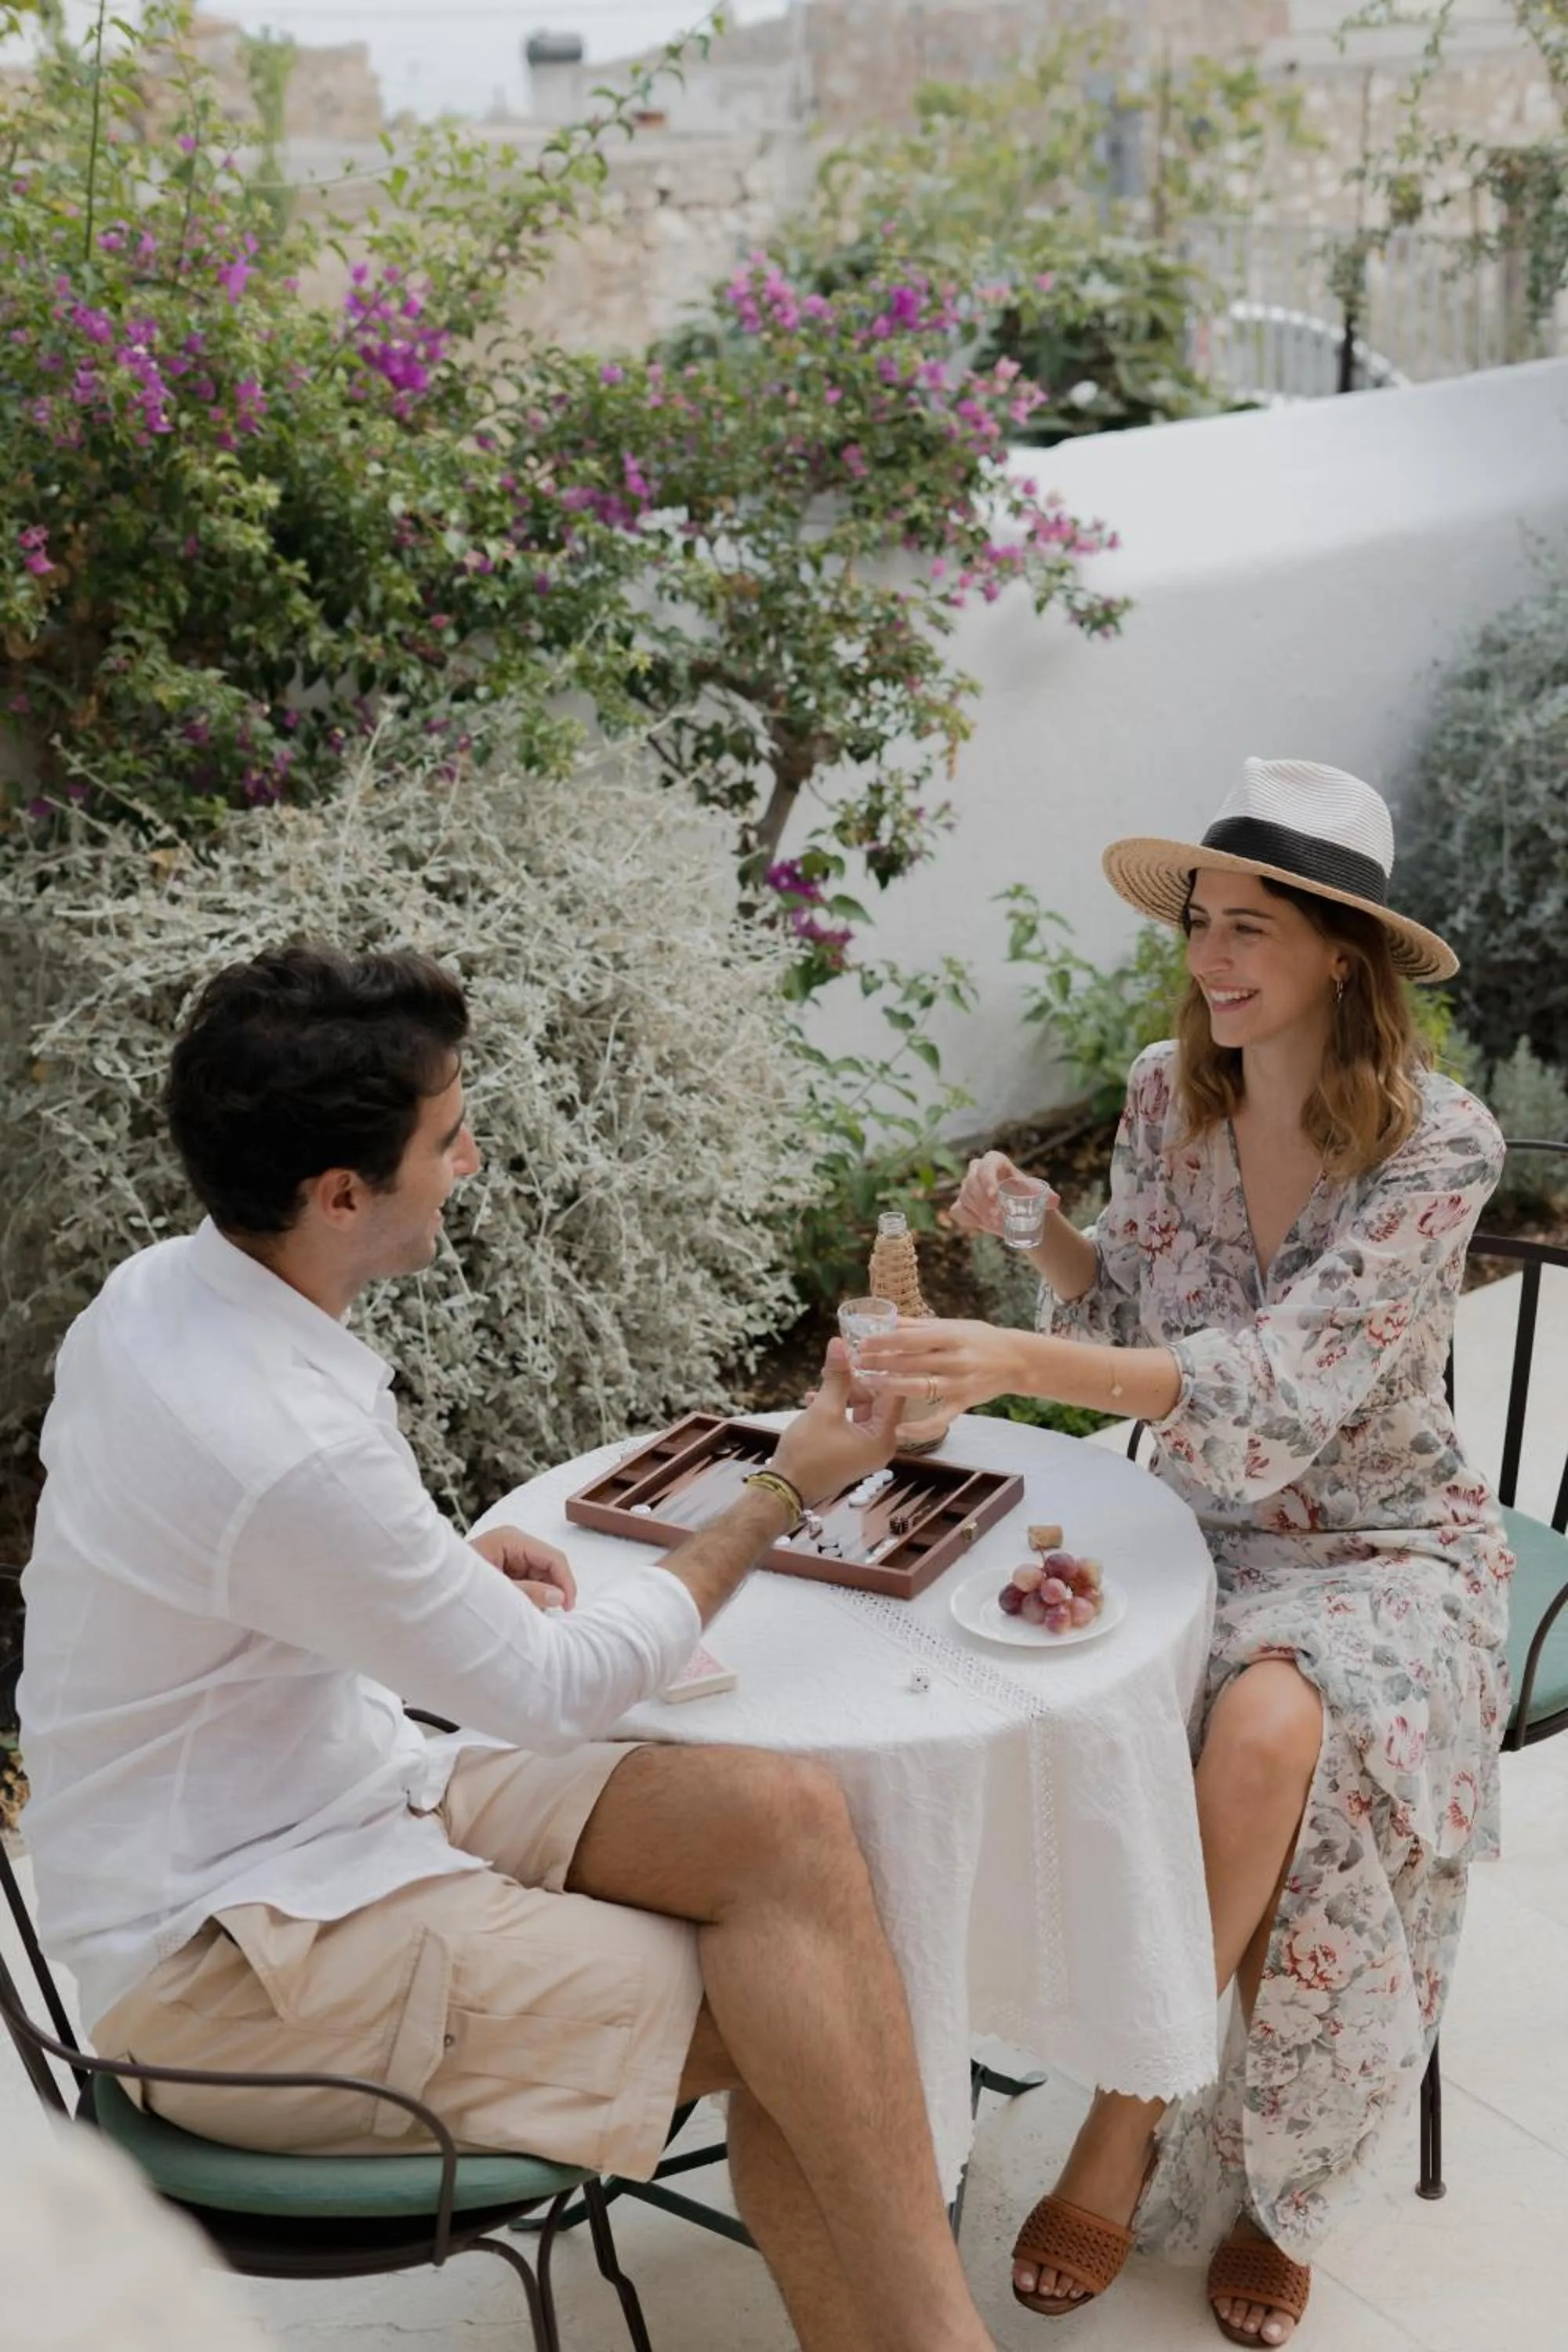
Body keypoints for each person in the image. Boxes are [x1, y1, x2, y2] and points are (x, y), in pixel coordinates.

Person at [17, 941, 1000, 2352]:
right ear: (340, 1193)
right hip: (220, 1964)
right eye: (447, 1137)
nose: (470, 1161)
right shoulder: (280, 1444)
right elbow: (554, 1688)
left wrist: (410, 1583)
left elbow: (218, 1560)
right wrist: (785, 1486)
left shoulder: (160, 1292)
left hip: (339, 1800)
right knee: (804, 2009)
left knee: (787, 1824)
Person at [857, 760, 1512, 2347]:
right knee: (989, 1655)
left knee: (1277, 1728)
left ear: (1342, 956)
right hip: (1200, 1524)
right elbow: (1134, 1313)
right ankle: (1222, 2139)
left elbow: (1279, 1377)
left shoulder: (1442, 1145)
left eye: (1249, 930)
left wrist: (1010, 1365)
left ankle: (1136, 2123)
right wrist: (1038, 1233)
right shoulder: (1169, 1093)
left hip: (1386, 1541)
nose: (1211, 959)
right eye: (1200, 924)